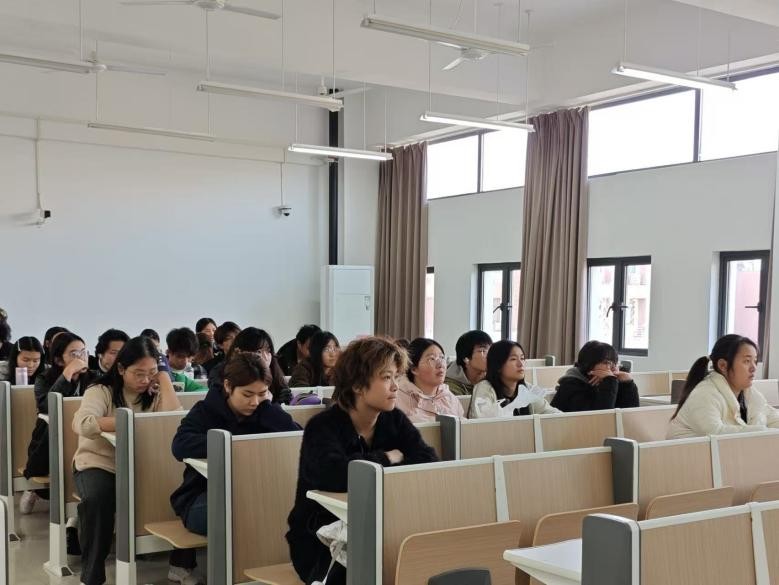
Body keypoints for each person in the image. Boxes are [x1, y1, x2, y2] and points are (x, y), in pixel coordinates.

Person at [286, 337, 438, 585]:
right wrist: (387, 457)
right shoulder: (322, 427)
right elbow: (336, 475)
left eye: (396, 377)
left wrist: (374, 462)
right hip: (321, 538)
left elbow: (427, 459)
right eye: (386, 377)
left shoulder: (393, 419)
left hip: (382, 527)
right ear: (357, 384)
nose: (395, 387)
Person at [169, 354, 300, 574]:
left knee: (283, 510)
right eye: (247, 394)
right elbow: (179, 445)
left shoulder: (265, 411)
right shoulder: (206, 411)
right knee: (246, 514)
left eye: (262, 394)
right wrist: (231, 443)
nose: (254, 402)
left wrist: (270, 410)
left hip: (254, 495)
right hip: (202, 497)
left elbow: (297, 439)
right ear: (228, 386)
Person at [72, 336, 181, 585]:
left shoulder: (154, 392)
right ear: (121, 369)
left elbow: (171, 421)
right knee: (97, 498)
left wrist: (163, 378)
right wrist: (128, 421)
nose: (145, 380)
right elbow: (82, 423)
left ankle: (180, 565)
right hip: (99, 463)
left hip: (141, 464)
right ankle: (91, 576)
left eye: (151, 372)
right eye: (139, 374)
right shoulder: (101, 390)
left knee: (181, 490)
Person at [20, 332, 97, 518]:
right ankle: (33, 489)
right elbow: (48, 405)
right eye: (74, 354)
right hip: (48, 437)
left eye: (83, 352)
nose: (81, 358)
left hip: (82, 434)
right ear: (59, 360)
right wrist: (67, 374)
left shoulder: (94, 377)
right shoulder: (44, 378)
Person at [668, 334, 779, 439]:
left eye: (755, 361)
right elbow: (717, 434)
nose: (754, 368)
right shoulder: (704, 395)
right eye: (747, 361)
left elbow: (772, 417)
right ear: (723, 365)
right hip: (688, 452)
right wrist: (764, 431)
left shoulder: (750, 394)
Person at [468, 341, 558, 418]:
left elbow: (551, 413)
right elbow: (484, 423)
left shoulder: (527, 388)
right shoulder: (484, 388)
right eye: (513, 359)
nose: (520, 364)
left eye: (522, 358)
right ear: (498, 365)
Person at [208, 327, 292, 405]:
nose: (265, 357)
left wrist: (282, 401)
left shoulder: (275, 373)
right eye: (258, 352)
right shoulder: (220, 373)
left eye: (268, 351)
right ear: (240, 352)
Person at [551, 341, 639, 412]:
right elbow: (600, 418)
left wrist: (628, 384)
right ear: (588, 364)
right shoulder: (571, 385)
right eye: (606, 362)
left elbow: (630, 415)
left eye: (615, 363)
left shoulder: (610, 381)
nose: (613, 368)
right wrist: (610, 381)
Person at [395, 337, 464, 422]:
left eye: (442, 357)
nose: (440, 365)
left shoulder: (449, 397)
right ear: (414, 369)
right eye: (432, 359)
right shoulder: (397, 399)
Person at [444, 330, 493, 396]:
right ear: (466, 358)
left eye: (490, 350)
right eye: (483, 351)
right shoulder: (449, 388)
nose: (490, 355)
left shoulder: (491, 378)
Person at [166, 328, 207, 392]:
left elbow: (204, 390)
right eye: (180, 356)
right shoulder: (160, 370)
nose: (185, 361)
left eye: (189, 356)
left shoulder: (197, 369)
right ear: (168, 352)